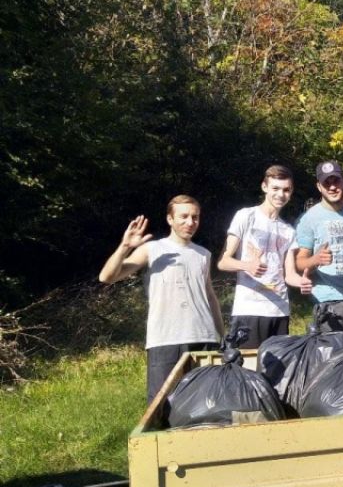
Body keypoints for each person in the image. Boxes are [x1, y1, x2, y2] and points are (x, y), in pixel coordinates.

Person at [98, 195, 224, 402]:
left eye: (195, 217)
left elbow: (210, 296)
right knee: (161, 405)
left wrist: (222, 336)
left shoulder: (203, 254)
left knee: (205, 403)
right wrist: (125, 246)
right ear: (170, 219)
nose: (190, 222)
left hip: (204, 338)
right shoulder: (153, 249)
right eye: (183, 216)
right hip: (166, 339)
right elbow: (107, 277)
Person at [217, 165, 309, 349]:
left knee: (277, 373)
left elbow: (289, 275)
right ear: (264, 187)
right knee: (247, 371)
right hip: (249, 309)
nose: (280, 194)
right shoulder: (246, 216)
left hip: (279, 310)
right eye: (275, 188)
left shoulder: (289, 230)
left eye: (286, 190)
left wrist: (302, 282)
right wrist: (247, 265)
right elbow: (223, 262)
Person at [295, 160, 343, 337]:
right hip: (329, 300)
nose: (332, 187)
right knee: (331, 359)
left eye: (336, 181)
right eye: (326, 183)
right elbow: (299, 262)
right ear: (319, 187)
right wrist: (315, 260)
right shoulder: (308, 218)